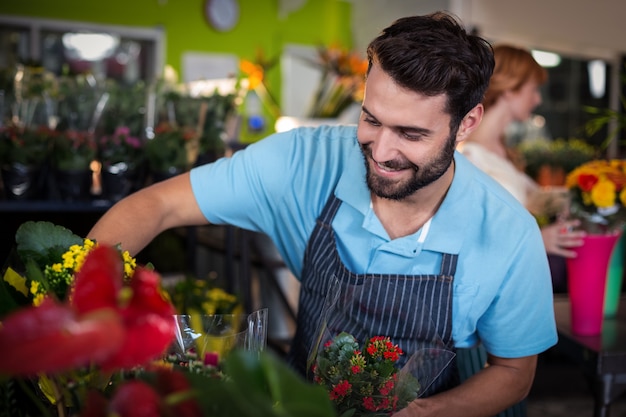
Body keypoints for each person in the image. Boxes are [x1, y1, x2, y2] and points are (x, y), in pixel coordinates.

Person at [88, 12, 557, 417]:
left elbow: (515, 372)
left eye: (411, 134)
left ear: (466, 124)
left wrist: (427, 411)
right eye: (371, 119)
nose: (382, 151)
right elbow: (156, 204)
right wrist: (82, 304)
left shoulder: (509, 234)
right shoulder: (301, 162)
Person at [458, 44, 585, 291]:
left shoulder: (503, 152)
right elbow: (473, 238)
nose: (538, 99)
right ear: (509, 90)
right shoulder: (470, 156)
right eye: (533, 89)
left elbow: (534, 199)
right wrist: (539, 239)